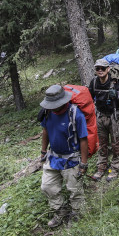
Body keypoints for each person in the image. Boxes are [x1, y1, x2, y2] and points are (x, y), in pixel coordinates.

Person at [39, 84, 89, 227]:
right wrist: (43, 151)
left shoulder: (75, 114)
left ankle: (77, 212)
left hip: (72, 159)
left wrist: (83, 163)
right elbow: (45, 131)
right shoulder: (47, 113)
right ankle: (60, 210)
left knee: (75, 190)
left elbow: (83, 139)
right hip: (53, 157)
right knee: (47, 186)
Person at [88, 58, 119, 181]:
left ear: (108, 69)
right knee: (102, 144)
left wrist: (117, 94)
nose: (100, 70)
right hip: (100, 116)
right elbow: (89, 97)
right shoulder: (94, 82)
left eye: (102, 68)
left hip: (114, 116)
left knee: (115, 143)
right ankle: (101, 168)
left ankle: (115, 168)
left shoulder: (115, 82)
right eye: (97, 68)